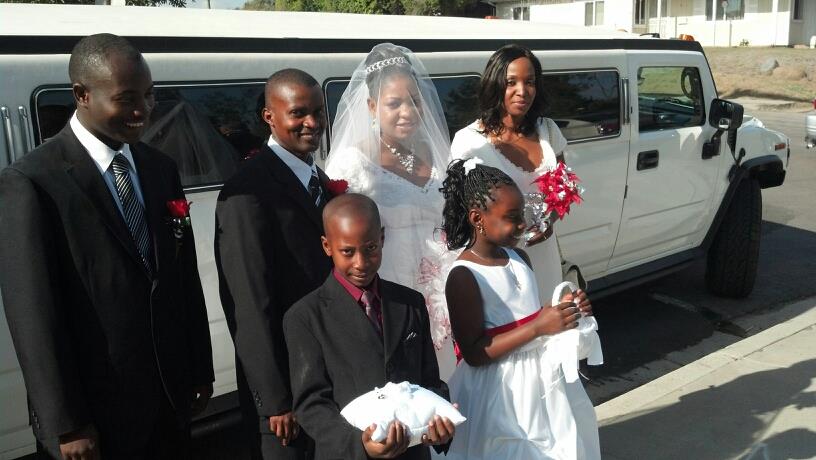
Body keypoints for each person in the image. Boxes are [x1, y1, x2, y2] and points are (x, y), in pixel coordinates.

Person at [0, 33, 214, 459]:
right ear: (82, 94)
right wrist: (67, 424)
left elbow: (181, 278)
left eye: (150, 96)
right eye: (126, 99)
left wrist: (198, 369)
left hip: (169, 400)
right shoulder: (33, 182)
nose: (143, 111)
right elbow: (33, 316)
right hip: (97, 417)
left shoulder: (159, 169)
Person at [440, 159, 599, 459]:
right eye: (512, 217)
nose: (523, 224)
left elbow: (530, 314)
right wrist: (539, 327)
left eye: (522, 214)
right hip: (500, 389)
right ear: (478, 218)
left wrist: (564, 311)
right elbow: (474, 353)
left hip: (542, 378)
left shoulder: (519, 258)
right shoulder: (463, 276)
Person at [214, 68, 335, 460]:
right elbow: (248, 303)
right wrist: (275, 399)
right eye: (298, 113)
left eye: (318, 111)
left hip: (330, 373)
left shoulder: (319, 177)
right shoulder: (248, 192)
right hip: (288, 386)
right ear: (269, 116)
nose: (312, 123)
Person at [283, 193, 455, 460]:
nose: (361, 263)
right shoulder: (305, 317)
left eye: (371, 248)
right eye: (347, 252)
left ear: (382, 239)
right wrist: (360, 445)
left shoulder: (410, 303)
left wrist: (438, 421)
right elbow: (312, 405)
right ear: (327, 246)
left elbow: (428, 380)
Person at [325, 43, 457, 381]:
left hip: (442, 290)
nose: (408, 112)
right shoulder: (352, 164)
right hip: (391, 290)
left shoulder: (435, 153)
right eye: (394, 103)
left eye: (414, 101)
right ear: (371, 106)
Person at [450, 44, 567, 304]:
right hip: (499, 259)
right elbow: (462, 211)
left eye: (530, 82)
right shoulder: (468, 142)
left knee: (549, 326)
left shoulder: (548, 129)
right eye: (511, 82)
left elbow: (564, 187)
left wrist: (549, 222)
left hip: (544, 251)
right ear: (495, 84)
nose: (522, 91)